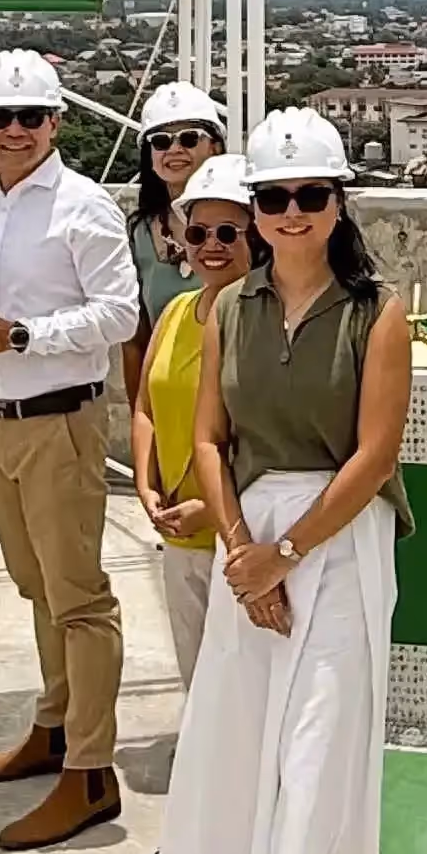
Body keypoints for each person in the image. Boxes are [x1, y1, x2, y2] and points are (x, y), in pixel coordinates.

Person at [151, 108, 413, 854]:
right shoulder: (228, 311)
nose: (291, 212)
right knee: (254, 749)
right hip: (250, 536)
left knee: (318, 758)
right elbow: (209, 439)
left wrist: (284, 554)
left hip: (337, 544)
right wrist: (238, 551)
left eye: (310, 195)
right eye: (273, 198)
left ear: (339, 203)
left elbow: (377, 451)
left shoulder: (376, 312)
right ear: (252, 210)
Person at [0, 48, 140, 850]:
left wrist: (17, 335)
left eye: (28, 118)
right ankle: (54, 727)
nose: (13, 132)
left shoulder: (83, 209)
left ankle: (90, 772)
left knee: (79, 598)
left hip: (59, 419)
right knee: (36, 586)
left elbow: (119, 315)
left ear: (55, 123)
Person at [128, 154, 253, 689]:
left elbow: (270, 437)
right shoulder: (177, 313)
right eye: (198, 232)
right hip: (179, 533)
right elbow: (144, 407)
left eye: (228, 232)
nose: (211, 245)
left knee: (241, 684)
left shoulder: (264, 324)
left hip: (238, 533)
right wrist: (144, 484)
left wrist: (214, 510)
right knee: (196, 678)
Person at [121, 83, 228, 408]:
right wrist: (142, 415)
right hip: (170, 404)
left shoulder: (248, 225)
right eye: (161, 141)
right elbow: (135, 341)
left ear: (215, 148)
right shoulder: (139, 233)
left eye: (190, 138)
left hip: (233, 403)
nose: (175, 149)